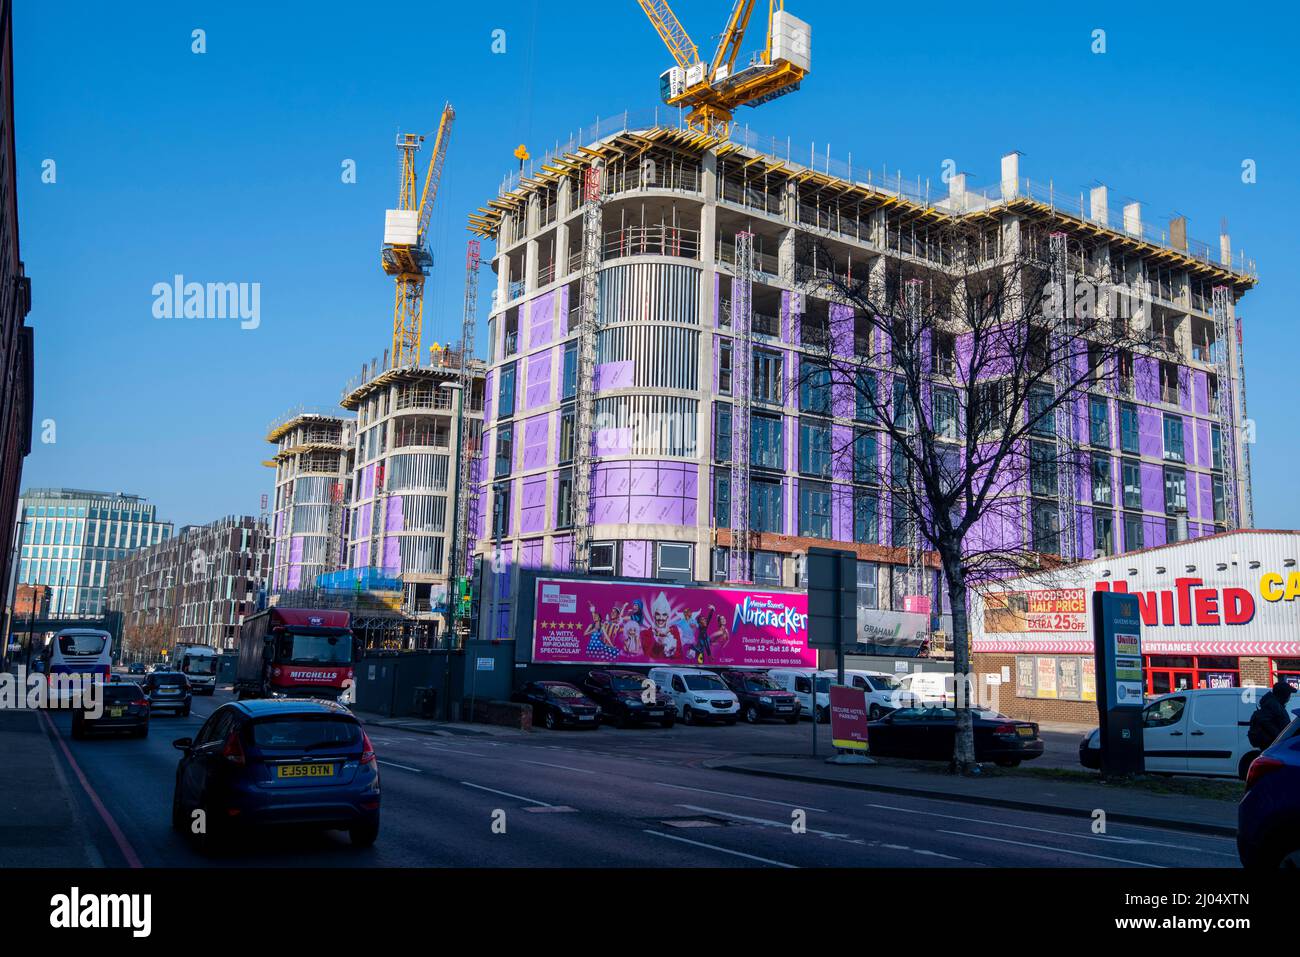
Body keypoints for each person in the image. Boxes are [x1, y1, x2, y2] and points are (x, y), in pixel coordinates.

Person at [1248, 680, 1295, 750]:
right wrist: (1280, 738)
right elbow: (1266, 723)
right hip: (1273, 746)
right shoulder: (1273, 706)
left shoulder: (1273, 704)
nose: (1289, 697)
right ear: (1283, 695)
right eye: (1289, 694)